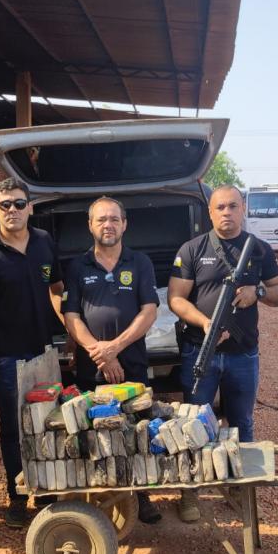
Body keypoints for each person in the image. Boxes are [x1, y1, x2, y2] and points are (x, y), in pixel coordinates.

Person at [168, 185, 278, 521]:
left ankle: (240, 488)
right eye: (220, 207)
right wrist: (205, 322)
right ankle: (190, 493)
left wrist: (258, 291)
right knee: (191, 424)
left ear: (243, 208)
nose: (226, 212)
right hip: (200, 350)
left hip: (243, 355)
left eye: (233, 206)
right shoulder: (193, 249)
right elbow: (176, 298)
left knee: (242, 423)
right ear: (210, 211)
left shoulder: (259, 250)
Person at [0, 177, 64, 529]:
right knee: (14, 429)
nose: (13, 210)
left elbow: (56, 289)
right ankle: (17, 497)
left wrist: (74, 339)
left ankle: (47, 490)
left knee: (50, 422)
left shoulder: (45, 243)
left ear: (30, 207)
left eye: (19, 203)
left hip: (45, 354)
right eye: (5, 205)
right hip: (7, 359)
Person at [62, 196, 162, 524]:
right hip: (92, 369)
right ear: (90, 225)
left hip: (131, 365)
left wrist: (115, 348)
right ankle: (101, 497)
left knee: (138, 430)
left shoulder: (140, 263)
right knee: (95, 432)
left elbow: (149, 311)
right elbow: (72, 316)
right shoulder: (77, 266)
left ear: (124, 224)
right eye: (101, 219)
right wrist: (100, 354)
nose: (108, 225)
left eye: (114, 219)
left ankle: (142, 495)